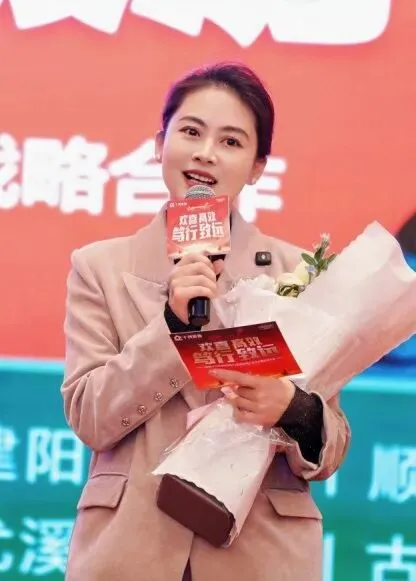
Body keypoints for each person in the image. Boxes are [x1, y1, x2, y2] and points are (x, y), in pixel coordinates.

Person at [61, 62, 351, 581]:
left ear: (258, 167)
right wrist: (173, 326)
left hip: (260, 554)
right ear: (160, 144)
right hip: (132, 549)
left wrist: (293, 409)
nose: (205, 153)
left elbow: (332, 446)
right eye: (191, 132)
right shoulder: (99, 268)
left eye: (231, 141)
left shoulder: (297, 273)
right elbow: (90, 417)